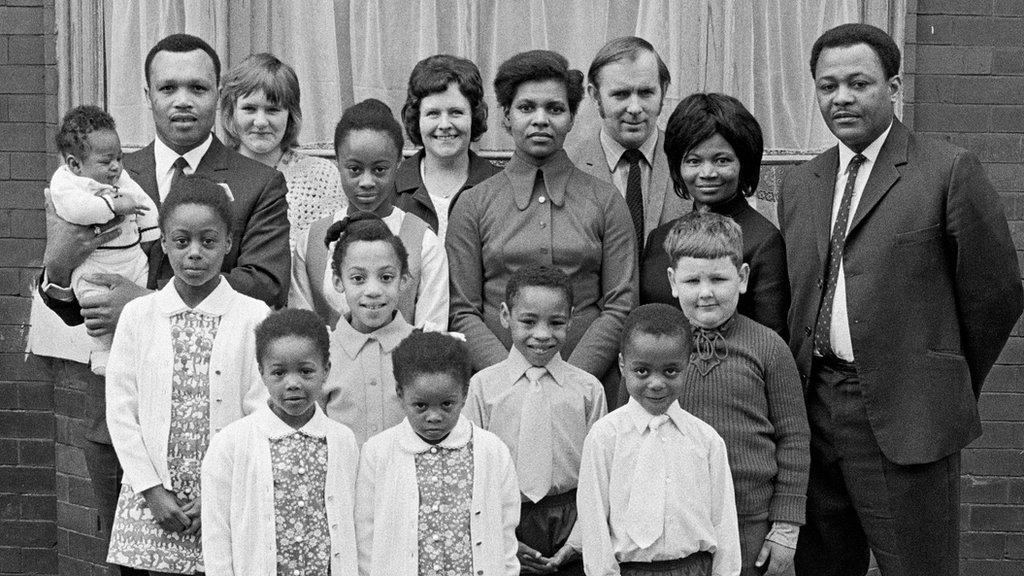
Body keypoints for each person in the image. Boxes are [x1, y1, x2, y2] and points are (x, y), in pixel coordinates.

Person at [33, 36, 289, 568]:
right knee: (129, 563)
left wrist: (145, 302)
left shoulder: (257, 181)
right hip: (120, 420)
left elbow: (264, 284)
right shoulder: (105, 175)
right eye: (167, 87)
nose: (182, 100)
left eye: (197, 87)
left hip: (216, 421)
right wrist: (57, 270)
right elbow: (73, 293)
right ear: (146, 93)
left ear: (217, 94)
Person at [778, 23, 1023, 576]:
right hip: (814, 409)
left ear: (893, 88)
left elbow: (997, 296)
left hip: (907, 415)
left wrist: (940, 374)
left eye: (858, 83)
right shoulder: (802, 183)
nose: (841, 97)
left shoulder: (946, 170)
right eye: (827, 85)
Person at [447, 49, 636, 407]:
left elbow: (621, 303)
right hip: (494, 393)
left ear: (572, 116)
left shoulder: (606, 200)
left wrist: (570, 377)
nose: (540, 119)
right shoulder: (473, 204)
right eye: (525, 107)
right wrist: (508, 376)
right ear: (505, 115)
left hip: (588, 390)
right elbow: (462, 309)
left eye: (554, 108)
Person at [105, 179, 269, 574]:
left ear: (229, 243)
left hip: (226, 498)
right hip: (152, 501)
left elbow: (259, 414)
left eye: (208, 242)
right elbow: (122, 410)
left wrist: (217, 494)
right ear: (163, 243)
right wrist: (152, 491)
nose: (194, 253)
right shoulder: (139, 316)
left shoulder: (253, 316)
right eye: (181, 241)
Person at [665, 212, 808, 576]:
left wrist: (786, 529)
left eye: (718, 278)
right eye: (692, 280)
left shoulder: (769, 347)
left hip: (751, 522)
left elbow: (794, 438)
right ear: (673, 282)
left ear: (742, 278)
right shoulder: (656, 347)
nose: (705, 292)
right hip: (673, 520)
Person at [577, 304, 740, 576]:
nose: (656, 383)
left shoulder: (706, 440)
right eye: (642, 371)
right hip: (629, 569)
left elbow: (724, 522)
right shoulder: (605, 437)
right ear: (622, 365)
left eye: (670, 372)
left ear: (687, 367)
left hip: (692, 568)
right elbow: (593, 523)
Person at [465, 265, 607, 575]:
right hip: (507, 518)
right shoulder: (483, 388)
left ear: (570, 319)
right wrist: (504, 540)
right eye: (528, 321)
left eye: (556, 322)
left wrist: (579, 541)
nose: (542, 334)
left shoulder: (588, 390)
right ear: (505, 316)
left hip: (572, 519)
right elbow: (472, 471)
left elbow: (601, 475)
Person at [201, 308, 359, 576]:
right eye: (279, 373)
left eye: (306, 371)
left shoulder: (342, 440)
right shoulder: (230, 444)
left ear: (326, 370)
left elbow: (351, 522)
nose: (293, 383)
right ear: (262, 373)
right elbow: (216, 533)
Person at [355, 331, 520, 576]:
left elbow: (506, 529)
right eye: (420, 406)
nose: (434, 416)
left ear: (464, 394)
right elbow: (366, 534)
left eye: (446, 405)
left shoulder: (491, 451)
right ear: (401, 395)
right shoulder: (377, 452)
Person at [291, 98, 448, 330]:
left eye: (379, 170)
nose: (366, 182)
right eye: (354, 169)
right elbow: (302, 330)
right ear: (337, 163)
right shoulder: (313, 240)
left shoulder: (423, 242)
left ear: (398, 163)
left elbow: (433, 336)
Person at [641, 93, 789, 336]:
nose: (707, 172)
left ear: (744, 163)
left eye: (722, 160)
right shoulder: (658, 239)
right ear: (678, 166)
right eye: (694, 161)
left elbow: (771, 339)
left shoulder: (764, 241)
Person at [48, 105, 159, 375]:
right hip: (95, 265)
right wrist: (112, 206)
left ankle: (134, 346)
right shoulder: (65, 184)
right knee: (96, 302)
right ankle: (103, 353)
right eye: (108, 161)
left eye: (120, 158)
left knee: (139, 281)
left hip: (131, 257)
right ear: (74, 164)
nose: (117, 166)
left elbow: (139, 199)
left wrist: (151, 228)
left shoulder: (121, 176)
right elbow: (77, 210)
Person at [567, 36, 688, 256]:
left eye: (646, 93)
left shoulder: (688, 163)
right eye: (621, 94)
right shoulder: (569, 166)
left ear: (663, 91)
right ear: (595, 96)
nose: (634, 108)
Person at [220, 52, 346, 250]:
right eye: (249, 109)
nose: (260, 122)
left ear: (291, 115)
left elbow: (334, 254)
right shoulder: (213, 171)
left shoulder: (322, 177)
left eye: (273, 110)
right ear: (231, 113)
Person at [319, 212, 415, 445]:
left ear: (403, 280)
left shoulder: (423, 348)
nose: (373, 290)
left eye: (386, 277)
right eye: (358, 278)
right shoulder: (321, 354)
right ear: (338, 282)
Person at [396, 54, 501, 239]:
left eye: (456, 112)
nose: (444, 124)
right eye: (433, 113)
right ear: (416, 119)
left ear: (474, 116)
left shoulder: (498, 185)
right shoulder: (393, 185)